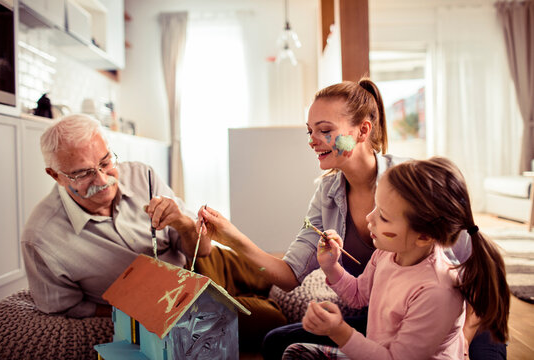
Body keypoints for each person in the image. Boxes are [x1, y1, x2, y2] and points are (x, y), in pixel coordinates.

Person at [199, 79, 506, 359]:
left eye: (325, 130)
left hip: (453, 321)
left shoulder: (409, 184)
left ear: (362, 131)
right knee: (276, 343)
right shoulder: (327, 193)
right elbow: (290, 276)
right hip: (384, 323)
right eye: (310, 131)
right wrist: (229, 236)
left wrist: (464, 336)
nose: (312, 140)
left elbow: (476, 264)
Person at [21, 114, 286, 350]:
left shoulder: (140, 175)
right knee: (274, 320)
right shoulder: (41, 238)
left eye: (105, 162)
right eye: (82, 174)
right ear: (55, 175)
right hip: (178, 311)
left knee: (281, 277)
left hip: (201, 264)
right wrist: (139, 313)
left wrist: (182, 222)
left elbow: (203, 250)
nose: (102, 180)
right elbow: (66, 308)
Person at [282, 157, 510, 359]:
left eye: (383, 216)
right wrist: (331, 267)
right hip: (378, 352)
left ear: (423, 236)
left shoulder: (436, 291)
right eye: (375, 207)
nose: (369, 218)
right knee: (295, 352)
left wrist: (339, 330)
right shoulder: (386, 253)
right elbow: (359, 295)